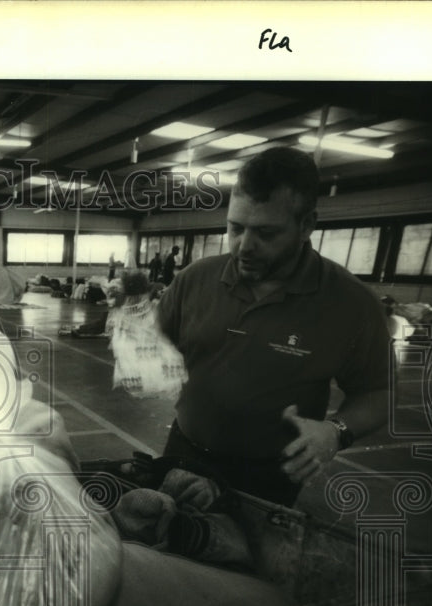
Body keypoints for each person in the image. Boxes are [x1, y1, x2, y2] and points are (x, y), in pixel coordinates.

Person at [156, 146, 390, 506]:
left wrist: (336, 431)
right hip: (184, 451)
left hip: (268, 476)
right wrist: (137, 341)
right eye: (235, 228)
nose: (243, 247)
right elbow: (155, 340)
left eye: (265, 233)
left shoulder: (351, 304)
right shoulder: (195, 279)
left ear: (306, 225)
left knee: (246, 561)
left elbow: (378, 393)